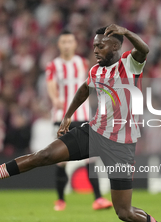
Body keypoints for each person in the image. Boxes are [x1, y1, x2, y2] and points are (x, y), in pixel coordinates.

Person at [0, 24, 161, 222]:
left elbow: (144, 49)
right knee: (44, 155)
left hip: (121, 146)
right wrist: (68, 115)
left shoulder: (130, 63)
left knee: (124, 212)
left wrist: (127, 32)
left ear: (116, 46)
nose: (95, 50)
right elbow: (84, 89)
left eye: (101, 46)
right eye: (94, 46)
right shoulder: (95, 71)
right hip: (94, 132)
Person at [45, 30, 112, 211]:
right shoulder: (53, 65)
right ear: (59, 45)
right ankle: (60, 200)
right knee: (61, 160)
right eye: (63, 41)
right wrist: (54, 99)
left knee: (91, 158)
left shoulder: (82, 63)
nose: (67, 45)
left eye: (70, 41)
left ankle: (98, 199)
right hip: (61, 117)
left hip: (82, 117)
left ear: (75, 44)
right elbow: (50, 84)